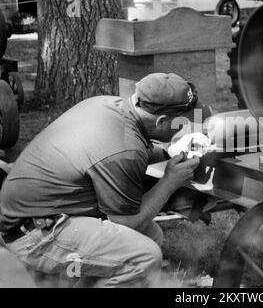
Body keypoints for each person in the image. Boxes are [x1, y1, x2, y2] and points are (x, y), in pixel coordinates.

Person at [0, 73, 212, 287]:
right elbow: (128, 223)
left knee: (150, 235)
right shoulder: (124, 150)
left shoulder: (109, 106)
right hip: (33, 235)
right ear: (162, 121)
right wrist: (170, 181)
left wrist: (170, 152)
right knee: (145, 258)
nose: (186, 127)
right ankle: (70, 276)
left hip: (37, 214)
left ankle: (77, 280)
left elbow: (129, 147)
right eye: (183, 122)